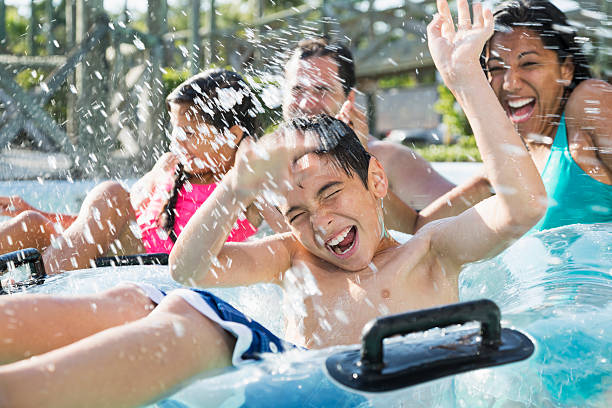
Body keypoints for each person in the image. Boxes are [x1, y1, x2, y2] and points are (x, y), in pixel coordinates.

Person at [0, 3, 547, 404]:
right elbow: (189, 269)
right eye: (298, 213)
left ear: (376, 181)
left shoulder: (430, 251)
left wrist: (468, 82)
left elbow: (522, 206)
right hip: (297, 382)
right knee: (189, 318)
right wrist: (235, 188)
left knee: (194, 325)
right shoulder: (294, 256)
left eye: (331, 194)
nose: (321, 221)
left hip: (352, 388)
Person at [0, 69, 264, 274]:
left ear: (233, 136)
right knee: (31, 223)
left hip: (155, 277)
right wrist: (41, 212)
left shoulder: (248, 189)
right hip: (111, 264)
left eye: (190, 132)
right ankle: (21, 294)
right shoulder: (169, 167)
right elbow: (95, 228)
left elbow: (291, 231)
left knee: (112, 194)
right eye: (175, 129)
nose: (177, 140)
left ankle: (33, 299)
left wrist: (246, 152)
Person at [282, 36, 494, 234]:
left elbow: (477, 214)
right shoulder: (263, 169)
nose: (306, 104)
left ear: (349, 98)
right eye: (298, 90)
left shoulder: (389, 159)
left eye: (322, 90)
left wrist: (360, 161)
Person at [480, 0, 611, 231]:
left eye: (528, 63)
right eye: (497, 68)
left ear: (566, 69)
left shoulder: (590, 103)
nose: (510, 84)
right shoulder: (509, 165)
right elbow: (421, 230)